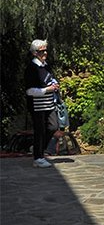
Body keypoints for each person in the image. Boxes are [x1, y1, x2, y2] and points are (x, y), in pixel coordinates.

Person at [25, 38, 61, 167]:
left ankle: (37, 148)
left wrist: (54, 84)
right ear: (35, 53)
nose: (45, 53)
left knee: (53, 126)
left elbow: (50, 78)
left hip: (49, 103)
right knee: (39, 130)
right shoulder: (31, 68)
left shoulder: (46, 66)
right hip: (37, 105)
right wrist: (47, 90)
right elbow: (29, 91)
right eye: (42, 51)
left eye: (46, 51)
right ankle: (38, 157)